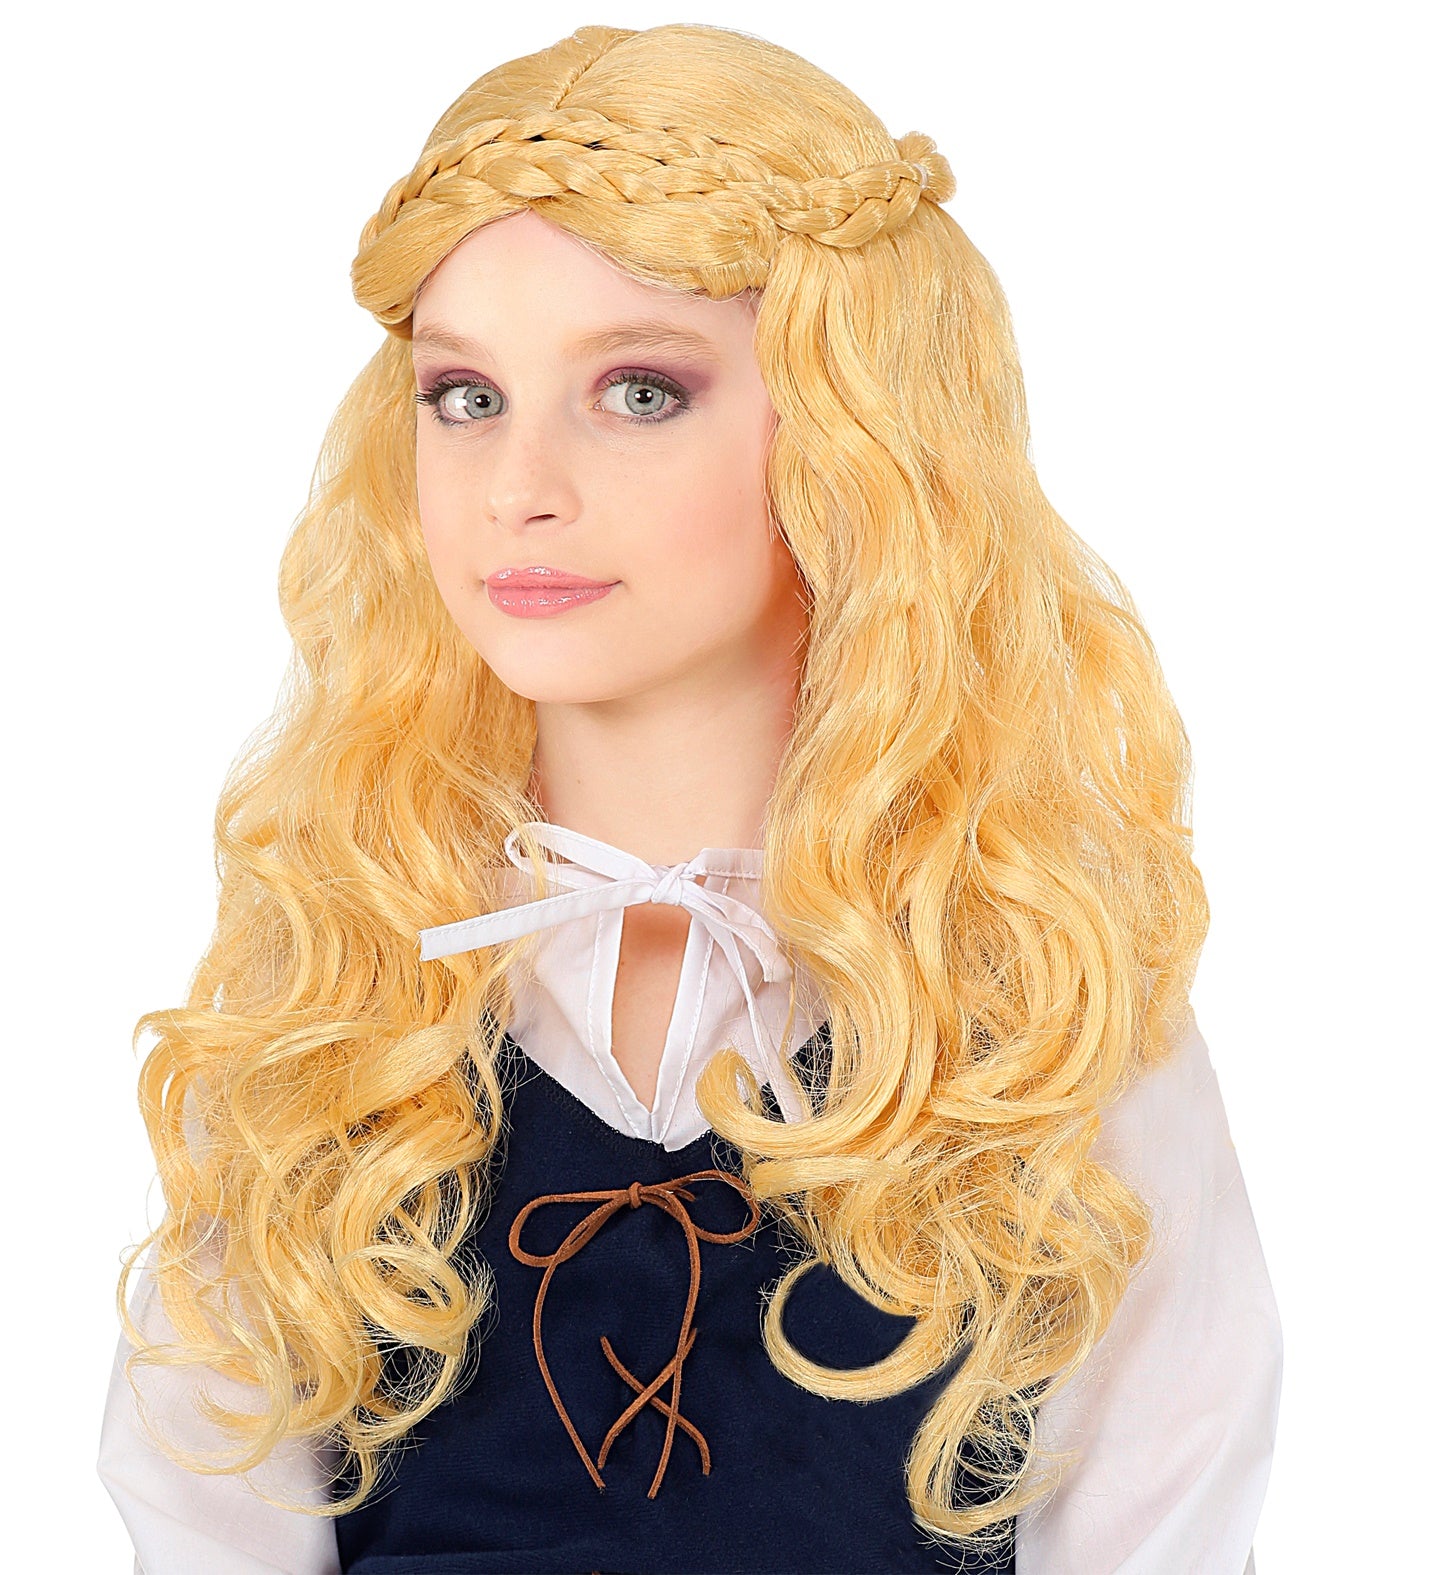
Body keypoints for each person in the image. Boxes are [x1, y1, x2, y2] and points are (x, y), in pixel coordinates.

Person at [98, 21, 1282, 1574]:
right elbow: (205, 1521)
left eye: (638, 392)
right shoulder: (329, 1014)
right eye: (463, 395)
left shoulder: (1048, 1034)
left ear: (849, 435)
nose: (517, 487)